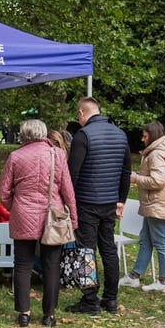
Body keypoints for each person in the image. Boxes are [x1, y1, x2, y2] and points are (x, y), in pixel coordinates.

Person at [0, 120, 78, 327]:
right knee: (51, 266)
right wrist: (74, 217)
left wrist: (14, 206)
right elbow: (67, 190)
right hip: (52, 217)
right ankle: (49, 315)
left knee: (23, 265)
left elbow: (3, 192)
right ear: (43, 133)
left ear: (23, 135)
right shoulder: (57, 154)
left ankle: (24, 313)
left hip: (23, 214)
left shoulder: (15, 156)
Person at [64, 97, 131, 316]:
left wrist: (68, 202)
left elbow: (72, 173)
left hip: (86, 201)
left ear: (82, 113)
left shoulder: (83, 136)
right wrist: (121, 199)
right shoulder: (120, 135)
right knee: (108, 248)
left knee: (86, 250)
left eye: (78, 115)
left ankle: (90, 299)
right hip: (110, 201)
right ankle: (111, 299)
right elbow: (125, 172)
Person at [119, 121, 165, 293]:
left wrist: (136, 178)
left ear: (153, 136)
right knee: (145, 240)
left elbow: (158, 181)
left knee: (161, 242)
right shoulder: (162, 150)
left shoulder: (157, 154)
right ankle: (134, 276)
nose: (142, 139)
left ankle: (163, 281)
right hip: (155, 203)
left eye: (145, 136)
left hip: (157, 204)